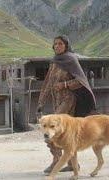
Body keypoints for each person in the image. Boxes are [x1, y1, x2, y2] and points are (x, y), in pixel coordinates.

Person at [36, 35, 96, 175]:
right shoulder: (54, 62)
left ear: (66, 45)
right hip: (56, 100)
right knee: (66, 134)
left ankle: (57, 160)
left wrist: (64, 85)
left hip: (69, 100)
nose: (57, 46)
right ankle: (71, 163)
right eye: (55, 44)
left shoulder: (71, 59)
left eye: (60, 44)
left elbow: (80, 81)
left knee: (52, 130)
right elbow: (47, 84)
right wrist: (41, 102)